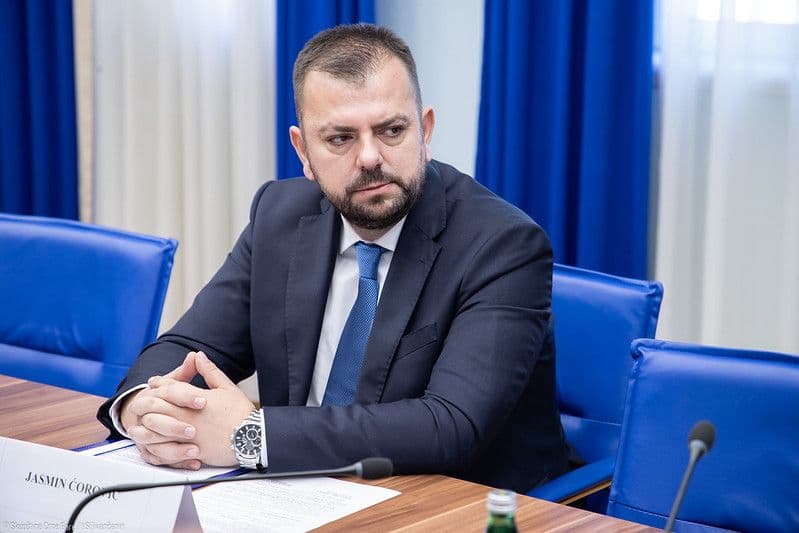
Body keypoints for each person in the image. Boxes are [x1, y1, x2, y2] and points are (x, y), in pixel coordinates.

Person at [97, 23, 569, 493]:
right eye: (341, 138)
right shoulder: (279, 215)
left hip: (456, 503)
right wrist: (141, 408)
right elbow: (191, 347)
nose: (370, 157)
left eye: (392, 130)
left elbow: (451, 425)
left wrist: (253, 437)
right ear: (303, 150)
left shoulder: (503, 245)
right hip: (297, 491)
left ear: (425, 131)